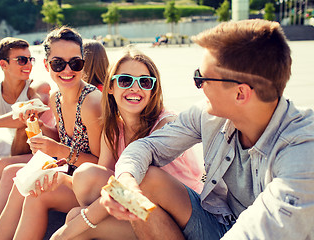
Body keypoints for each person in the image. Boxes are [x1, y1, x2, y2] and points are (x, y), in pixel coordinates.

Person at [100, 19, 314, 239]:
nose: (198, 86)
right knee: (142, 179)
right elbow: (148, 146)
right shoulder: (207, 114)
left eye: (202, 78)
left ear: (240, 94)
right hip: (221, 220)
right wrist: (126, 183)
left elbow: (262, 232)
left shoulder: (303, 150)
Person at [48, 46, 204, 239]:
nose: (135, 88)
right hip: (141, 212)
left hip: (185, 218)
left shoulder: (166, 125)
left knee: (76, 223)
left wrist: (66, 232)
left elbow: (126, 190)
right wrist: (62, 179)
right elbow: (106, 188)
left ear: (153, 90)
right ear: (111, 87)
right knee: (84, 178)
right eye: (125, 80)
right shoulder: (113, 129)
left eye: (145, 82)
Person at [0, 26, 103, 240]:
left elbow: (99, 165)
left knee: (31, 191)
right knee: (15, 177)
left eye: (75, 63)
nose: (67, 70)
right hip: (69, 173)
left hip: (89, 185)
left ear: (83, 63)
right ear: (46, 64)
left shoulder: (91, 102)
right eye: (58, 63)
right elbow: (65, 138)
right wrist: (40, 127)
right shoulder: (56, 98)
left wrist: (59, 150)